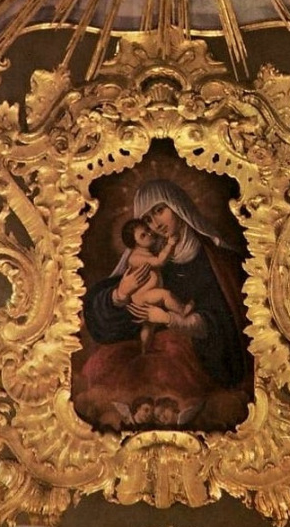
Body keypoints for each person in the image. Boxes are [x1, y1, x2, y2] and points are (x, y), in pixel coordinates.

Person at [79, 179, 252, 430]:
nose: (156, 224)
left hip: (195, 360)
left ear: (177, 205)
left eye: (159, 210)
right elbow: (101, 312)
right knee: (102, 366)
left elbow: (224, 324)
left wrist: (171, 320)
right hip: (150, 352)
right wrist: (119, 294)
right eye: (148, 219)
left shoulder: (217, 261)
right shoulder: (149, 256)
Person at [120, 218, 193, 353]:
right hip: (143, 297)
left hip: (148, 295)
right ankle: (182, 311)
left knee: (149, 326)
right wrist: (170, 243)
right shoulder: (135, 257)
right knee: (166, 294)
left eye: (147, 230)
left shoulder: (146, 251)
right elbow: (159, 261)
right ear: (135, 243)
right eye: (143, 235)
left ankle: (145, 350)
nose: (149, 234)